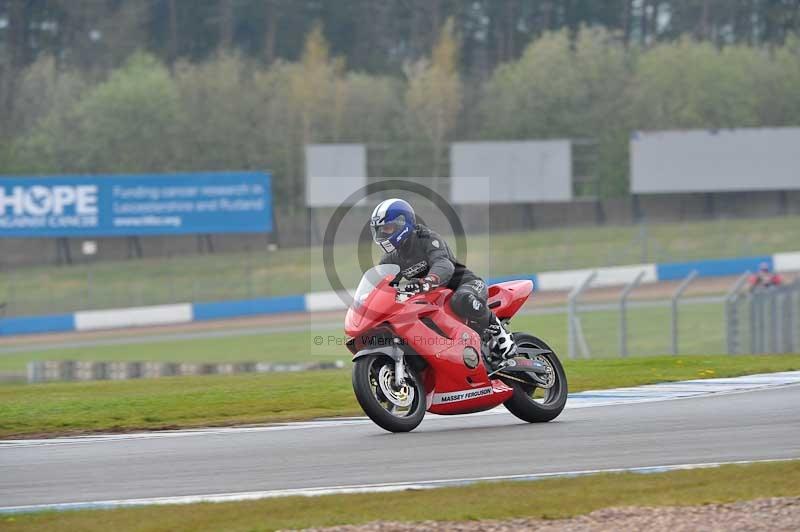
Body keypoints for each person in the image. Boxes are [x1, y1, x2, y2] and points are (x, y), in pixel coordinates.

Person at [369, 198, 517, 360]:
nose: (382, 235)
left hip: (465, 284)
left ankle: (501, 335)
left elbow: (443, 263)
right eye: (380, 230)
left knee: (462, 300)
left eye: (387, 229)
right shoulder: (391, 259)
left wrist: (428, 281)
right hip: (432, 298)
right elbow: (381, 284)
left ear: (403, 223)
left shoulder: (427, 238)